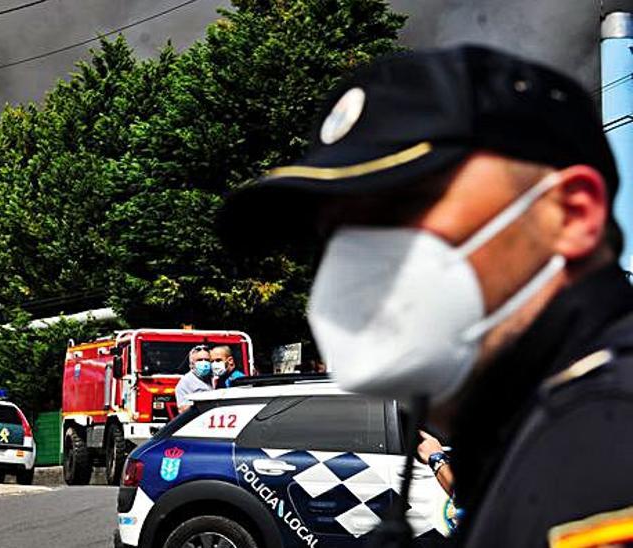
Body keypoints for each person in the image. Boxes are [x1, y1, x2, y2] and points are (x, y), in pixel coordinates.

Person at [221, 45, 633, 547]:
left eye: (401, 207)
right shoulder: (530, 427)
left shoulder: (604, 442)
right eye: (335, 234)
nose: (356, 262)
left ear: (571, 215)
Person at [174, 345, 214, 412]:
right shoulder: (185, 382)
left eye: (207, 360)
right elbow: (182, 409)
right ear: (192, 364)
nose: (204, 363)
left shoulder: (214, 378)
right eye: (199, 360)